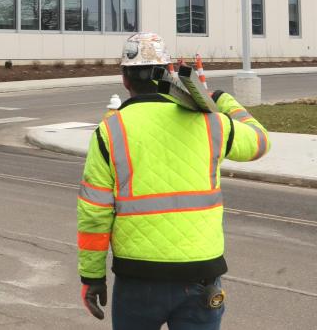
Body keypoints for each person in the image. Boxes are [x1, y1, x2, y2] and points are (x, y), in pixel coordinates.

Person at [77, 32, 270, 328]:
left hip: (137, 278)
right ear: (168, 73)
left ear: (125, 79)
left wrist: (92, 278)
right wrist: (223, 100)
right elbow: (259, 142)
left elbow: (94, 213)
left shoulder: (110, 131)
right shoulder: (210, 123)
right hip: (200, 277)